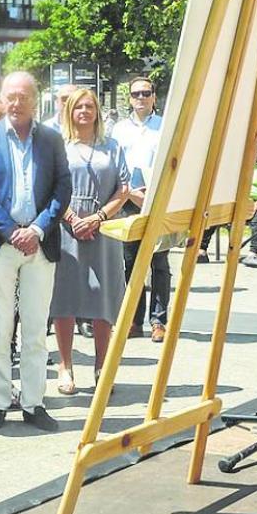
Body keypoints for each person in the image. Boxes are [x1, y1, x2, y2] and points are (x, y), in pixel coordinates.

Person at [0, 71, 71, 432]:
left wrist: (38, 229)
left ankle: (34, 403)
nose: (16, 102)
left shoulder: (52, 139)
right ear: (1, 98)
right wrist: (12, 232)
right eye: (10, 96)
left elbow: (63, 188)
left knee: (34, 328)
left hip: (40, 244)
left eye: (23, 96)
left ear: (35, 98)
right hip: (0, 244)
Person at [50, 89, 130, 392]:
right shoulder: (59, 146)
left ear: (97, 111)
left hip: (102, 228)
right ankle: (65, 365)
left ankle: (101, 365)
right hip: (66, 226)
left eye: (89, 106)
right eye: (78, 107)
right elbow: (51, 186)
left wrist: (98, 217)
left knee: (102, 295)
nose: (84, 111)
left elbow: (123, 189)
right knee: (65, 296)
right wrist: (71, 218)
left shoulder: (112, 146)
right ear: (69, 111)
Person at [111, 76, 171, 343]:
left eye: (146, 93)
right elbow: (115, 167)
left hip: (157, 200)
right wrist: (130, 194)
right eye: (136, 94)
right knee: (129, 263)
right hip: (128, 200)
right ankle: (134, 320)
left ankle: (158, 321)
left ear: (154, 97)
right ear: (129, 98)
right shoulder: (118, 130)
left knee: (159, 262)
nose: (141, 98)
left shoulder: (165, 126)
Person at [198, 145, 257, 267]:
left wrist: (255, 206)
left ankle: (252, 254)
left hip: (256, 204)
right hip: (234, 204)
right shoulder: (233, 172)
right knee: (212, 213)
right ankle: (201, 251)